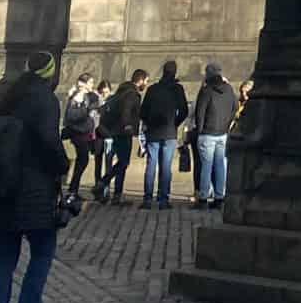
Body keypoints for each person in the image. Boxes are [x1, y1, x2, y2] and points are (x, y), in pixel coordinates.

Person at [0, 50, 67, 303]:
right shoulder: (45, 100)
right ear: (51, 73)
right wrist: (63, 165)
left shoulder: (9, 98)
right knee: (42, 253)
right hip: (33, 193)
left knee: (4, 261)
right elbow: (48, 142)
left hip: (3, 192)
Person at [139, 60, 189, 209]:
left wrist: (149, 122)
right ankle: (163, 199)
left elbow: (143, 111)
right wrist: (175, 123)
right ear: (174, 72)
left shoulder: (153, 89)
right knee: (166, 166)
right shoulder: (177, 89)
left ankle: (147, 199)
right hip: (169, 132)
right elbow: (184, 111)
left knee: (151, 164)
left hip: (153, 132)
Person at [191, 63, 237, 209]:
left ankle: (204, 197)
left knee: (206, 166)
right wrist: (226, 124)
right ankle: (219, 197)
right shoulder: (229, 89)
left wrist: (200, 129)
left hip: (207, 133)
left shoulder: (206, 90)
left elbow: (200, 112)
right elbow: (235, 108)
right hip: (222, 133)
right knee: (220, 166)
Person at [98, 71, 146, 204]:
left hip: (115, 131)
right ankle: (105, 184)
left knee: (122, 163)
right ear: (140, 80)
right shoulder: (132, 94)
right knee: (123, 163)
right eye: (146, 81)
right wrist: (128, 126)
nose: (146, 84)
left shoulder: (121, 91)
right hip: (124, 132)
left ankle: (116, 194)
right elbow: (126, 111)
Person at [61, 75, 101, 198]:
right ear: (83, 83)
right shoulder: (77, 97)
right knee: (82, 160)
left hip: (85, 132)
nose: (92, 85)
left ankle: (73, 189)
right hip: (78, 133)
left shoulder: (88, 96)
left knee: (82, 161)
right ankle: (73, 190)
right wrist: (86, 109)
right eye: (90, 82)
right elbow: (73, 115)